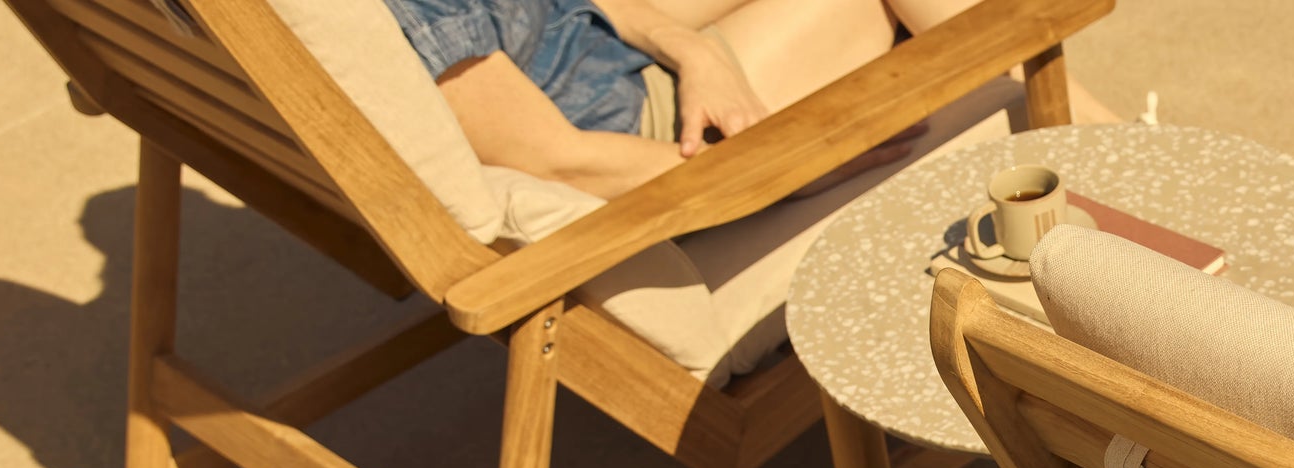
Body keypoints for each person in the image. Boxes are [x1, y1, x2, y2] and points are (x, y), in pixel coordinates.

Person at [381, 0, 1114, 199]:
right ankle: (1115, 159)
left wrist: (692, 47)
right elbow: (562, 165)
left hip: (603, 49)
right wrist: (780, 167)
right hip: (658, 134)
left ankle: (1100, 140)